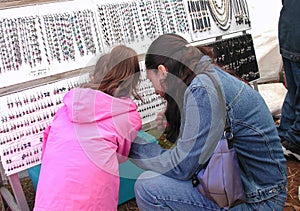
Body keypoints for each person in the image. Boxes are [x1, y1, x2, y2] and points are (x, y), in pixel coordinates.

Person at [129, 34, 287, 210]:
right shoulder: (206, 74)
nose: (156, 91)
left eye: (152, 82)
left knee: (148, 188)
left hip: (258, 201)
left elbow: (183, 167)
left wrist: (130, 145)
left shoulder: (202, 90)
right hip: (261, 188)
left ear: (163, 71)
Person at [33, 45, 142, 211]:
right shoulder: (128, 117)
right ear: (132, 82)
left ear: (95, 75)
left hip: (49, 201)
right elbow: (121, 156)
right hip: (93, 203)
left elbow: (48, 143)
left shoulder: (67, 107)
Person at [277, 0, 300, 160]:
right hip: (293, 35)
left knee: (293, 91)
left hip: (288, 31)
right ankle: (296, 141)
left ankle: (286, 133)